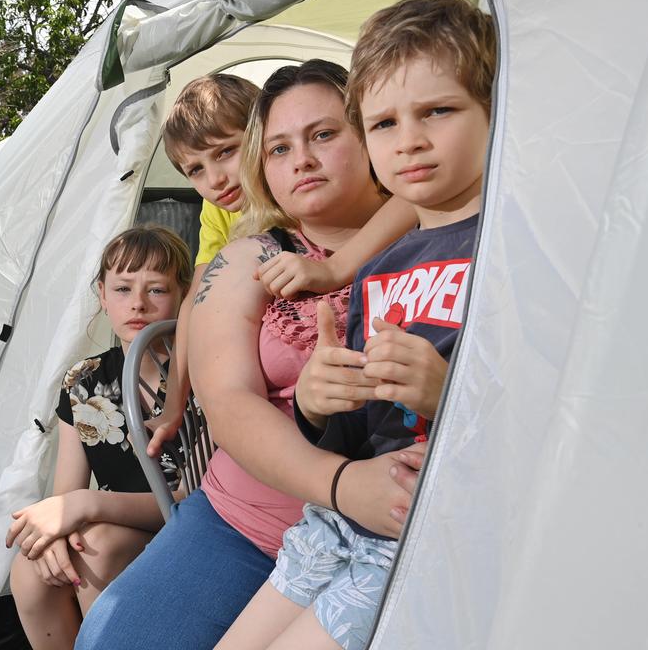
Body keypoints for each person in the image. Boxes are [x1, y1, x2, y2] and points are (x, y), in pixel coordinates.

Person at [75, 59, 417, 649]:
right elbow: (229, 402)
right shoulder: (246, 259)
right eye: (279, 148)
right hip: (252, 524)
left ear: (372, 132)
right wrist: (341, 486)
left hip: (406, 528)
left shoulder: (439, 230)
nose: (301, 160)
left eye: (324, 134)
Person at [216, 0, 496, 649]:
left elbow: (559, 415)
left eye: (438, 112)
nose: (411, 141)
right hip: (337, 523)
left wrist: (445, 393)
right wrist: (317, 403)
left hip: (422, 532)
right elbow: (354, 435)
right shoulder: (378, 271)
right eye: (384, 124)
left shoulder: (510, 248)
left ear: (494, 107)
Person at [147, 73, 418, 459]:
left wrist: (338, 266)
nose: (216, 179)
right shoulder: (226, 215)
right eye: (195, 171)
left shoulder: (320, 201)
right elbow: (198, 293)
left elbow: (408, 199)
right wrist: (174, 404)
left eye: (226, 152)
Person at [6, 226, 193, 650]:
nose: (138, 304)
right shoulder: (83, 380)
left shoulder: (200, 373)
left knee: (97, 547)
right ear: (102, 295)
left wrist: (86, 504)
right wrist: (53, 536)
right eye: (123, 289)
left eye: (157, 289)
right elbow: (66, 493)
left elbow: (193, 497)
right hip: (109, 525)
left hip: (186, 525)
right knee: (29, 567)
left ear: (183, 293)